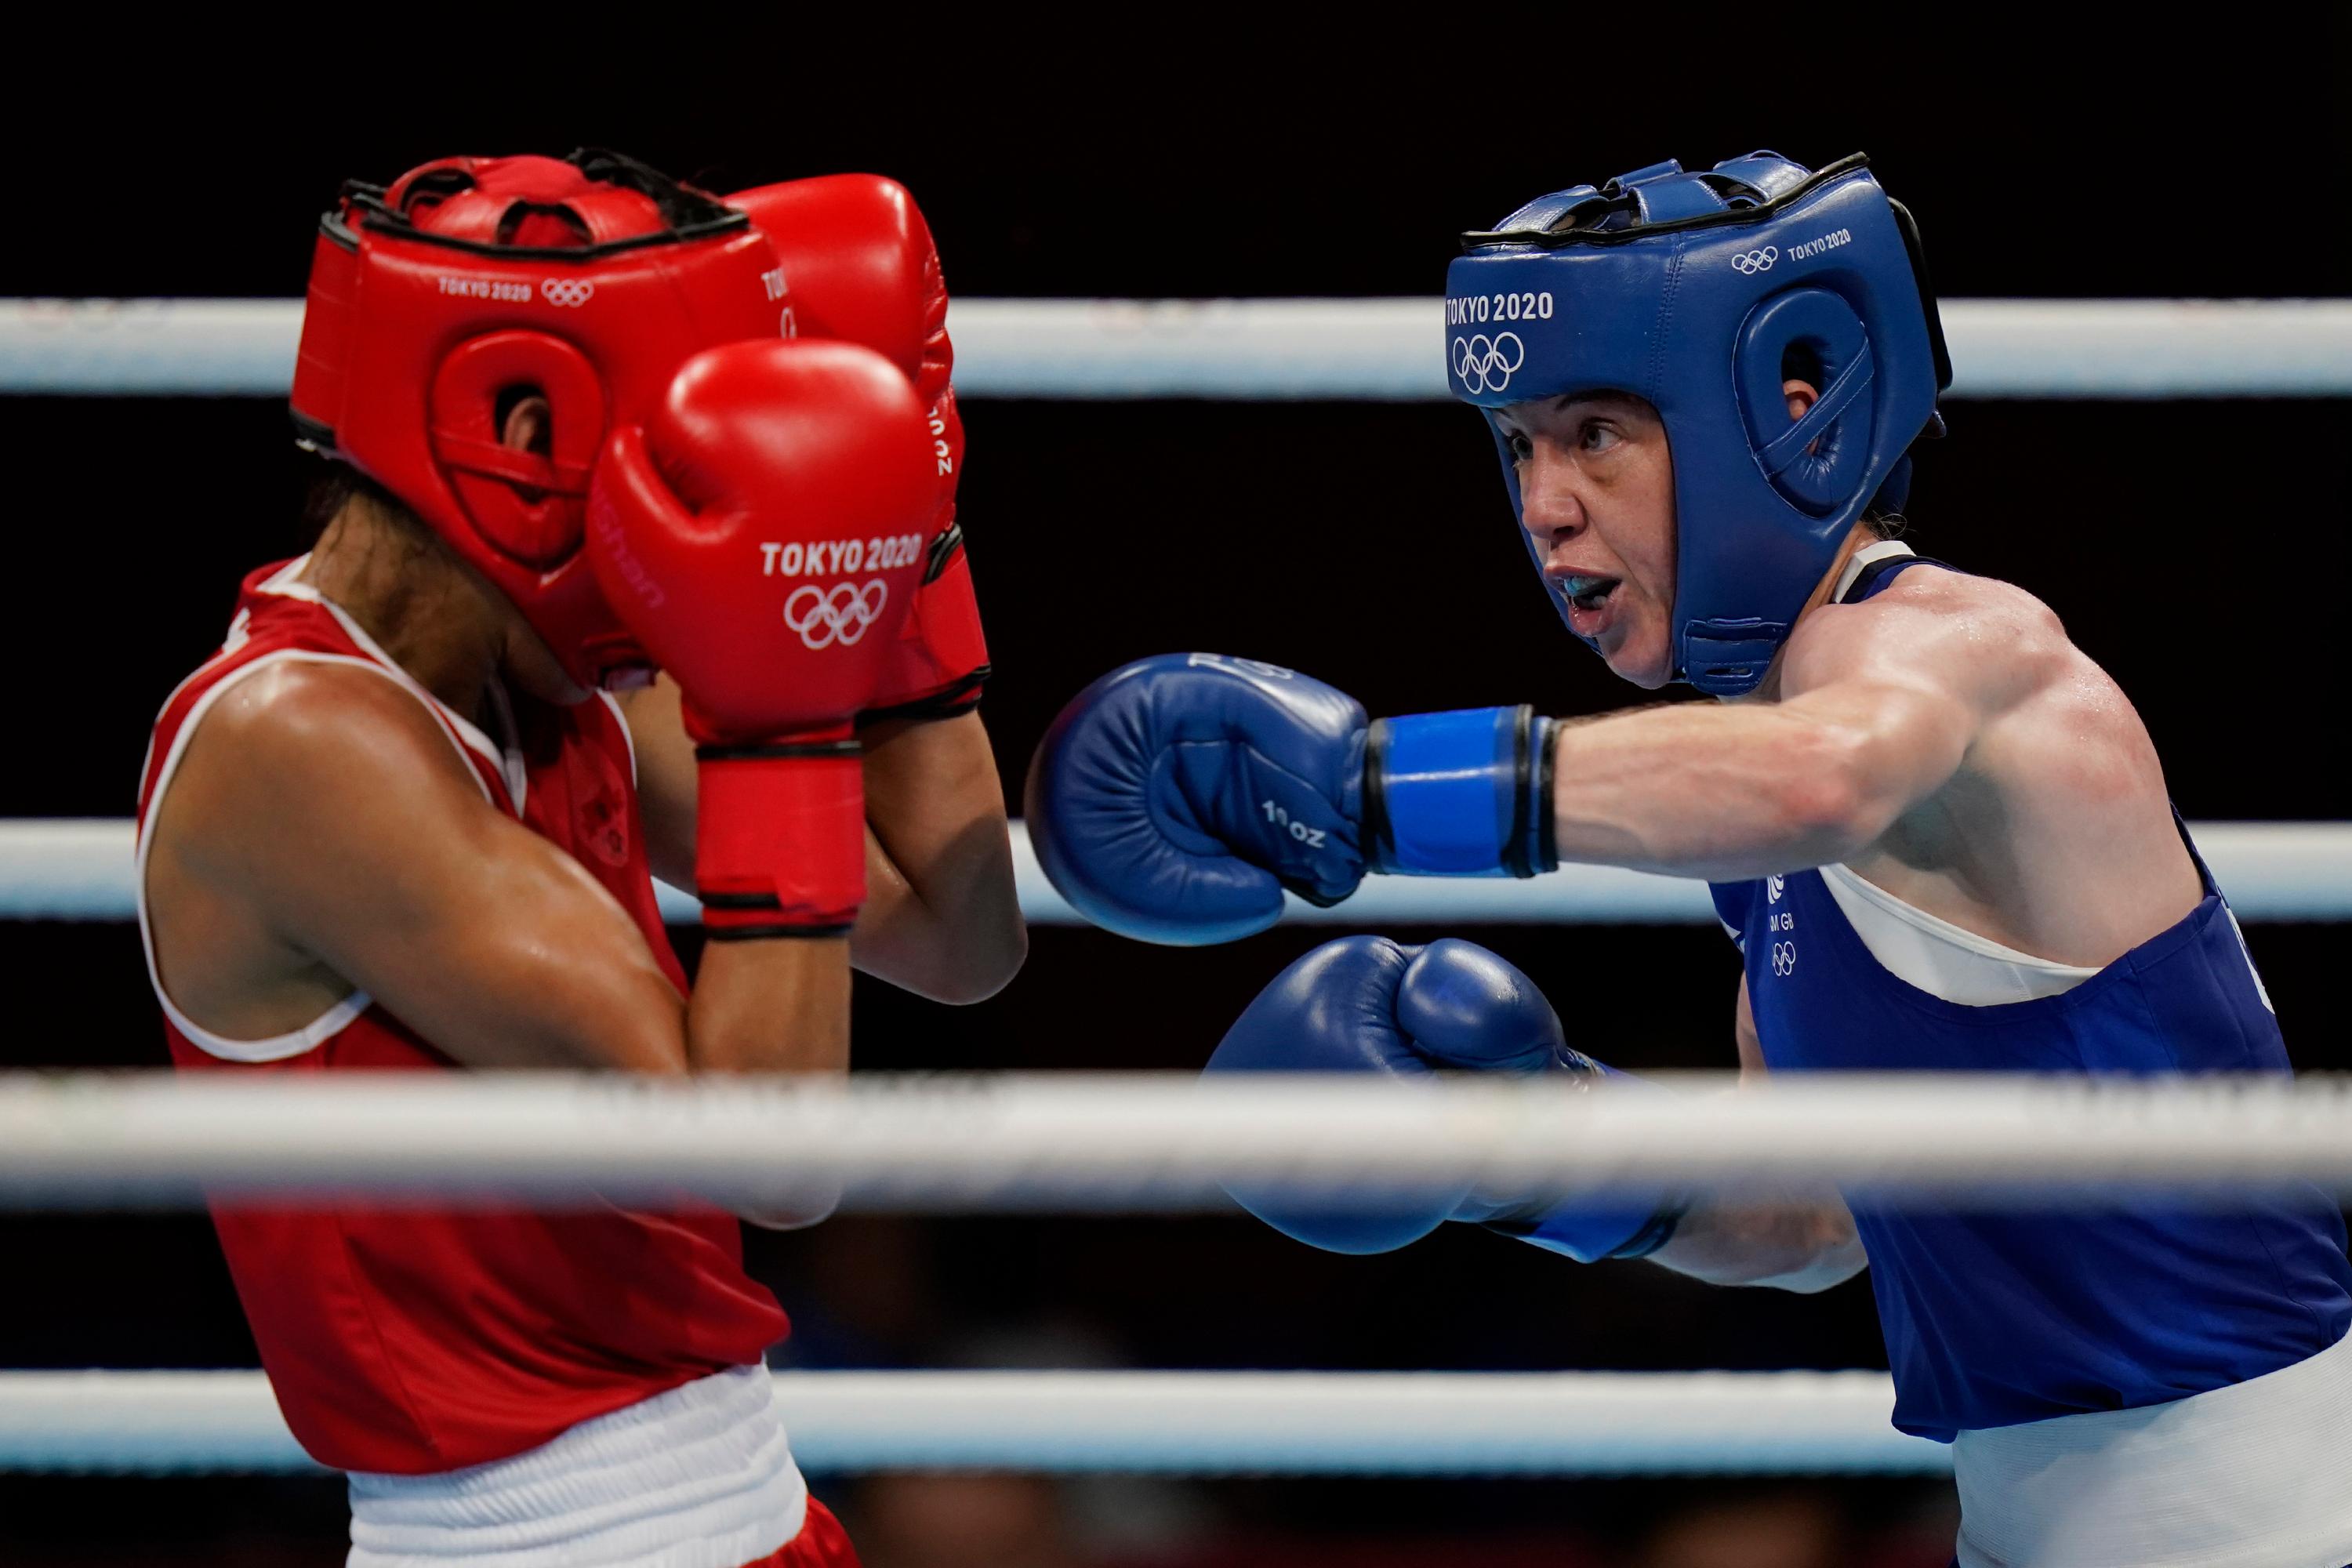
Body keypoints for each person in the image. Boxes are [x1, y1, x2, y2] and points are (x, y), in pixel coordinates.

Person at [1025, 152, 2352, 1564]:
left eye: (1594, 433)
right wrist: (1517, 1160)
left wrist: (1360, 790)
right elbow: (1809, 1216)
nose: (1543, 506)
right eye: (1516, 446)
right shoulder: (1761, 803)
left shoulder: (1954, 650)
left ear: (1790, 411)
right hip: (2042, 1521)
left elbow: (1824, 776)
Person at [136, 151, 1023, 1568]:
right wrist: (782, 714)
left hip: (753, 1498)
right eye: (665, 442)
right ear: (521, 431)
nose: (690, 492)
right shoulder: (297, 742)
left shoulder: (557, 678)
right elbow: (776, 1158)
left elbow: (957, 936)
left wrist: (908, 545)